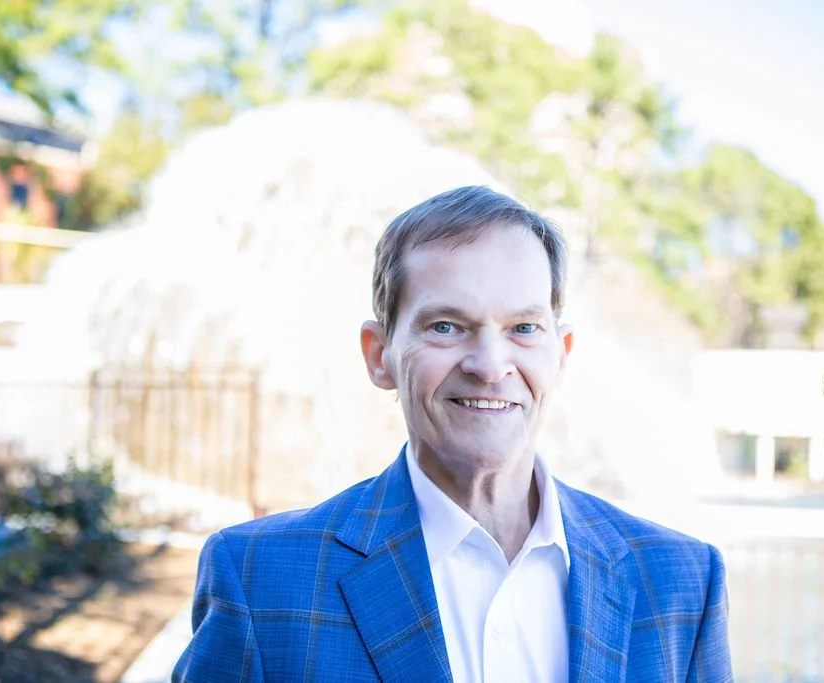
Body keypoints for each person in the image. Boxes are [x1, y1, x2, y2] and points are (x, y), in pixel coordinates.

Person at [173, 186, 732, 682]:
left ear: (559, 356)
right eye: (446, 327)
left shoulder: (682, 582)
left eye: (524, 328)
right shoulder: (258, 580)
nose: (491, 365)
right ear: (379, 356)